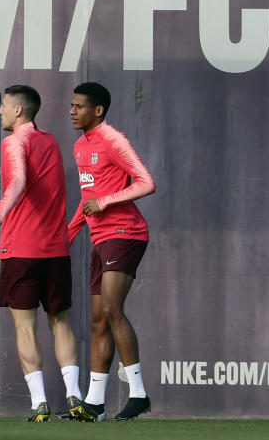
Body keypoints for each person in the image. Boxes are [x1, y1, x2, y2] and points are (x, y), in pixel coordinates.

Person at [0, 84, 85, 422]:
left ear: (18, 111)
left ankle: (39, 404)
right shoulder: (51, 141)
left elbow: (16, 182)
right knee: (61, 324)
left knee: (26, 329)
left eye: (2, 105)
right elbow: (31, 191)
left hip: (21, 252)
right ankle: (75, 398)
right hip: (56, 251)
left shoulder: (14, 141)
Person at [67, 82, 156, 421]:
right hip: (101, 238)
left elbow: (146, 183)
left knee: (112, 309)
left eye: (79, 106)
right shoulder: (79, 146)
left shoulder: (114, 140)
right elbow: (87, 199)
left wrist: (103, 202)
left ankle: (138, 394)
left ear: (98, 110)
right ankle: (95, 404)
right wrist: (68, 235)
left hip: (126, 233)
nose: (72, 111)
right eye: (72, 106)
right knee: (98, 319)